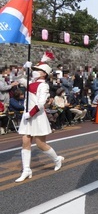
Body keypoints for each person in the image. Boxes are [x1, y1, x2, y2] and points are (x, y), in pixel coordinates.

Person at [15, 52, 64, 183]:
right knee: (25, 141)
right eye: (34, 69)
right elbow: (17, 78)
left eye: (37, 70)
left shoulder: (44, 85)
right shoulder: (30, 82)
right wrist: (23, 68)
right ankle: (26, 170)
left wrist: (29, 113)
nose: (34, 71)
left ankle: (56, 159)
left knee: (41, 144)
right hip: (28, 117)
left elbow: (41, 104)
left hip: (36, 116)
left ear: (44, 73)